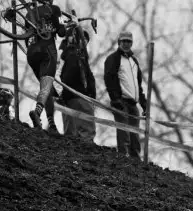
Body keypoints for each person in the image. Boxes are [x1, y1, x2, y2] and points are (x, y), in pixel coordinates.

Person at [25, 0, 71, 133]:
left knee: (48, 88)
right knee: (46, 85)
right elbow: (62, 32)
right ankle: (37, 113)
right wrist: (72, 24)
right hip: (47, 50)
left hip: (31, 53)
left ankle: (51, 124)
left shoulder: (29, 13)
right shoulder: (55, 9)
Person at [103, 30, 147, 160]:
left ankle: (136, 162)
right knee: (124, 134)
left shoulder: (134, 61)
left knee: (135, 136)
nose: (126, 44)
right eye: (124, 41)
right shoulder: (113, 58)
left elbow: (138, 86)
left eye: (129, 41)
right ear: (119, 42)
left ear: (131, 43)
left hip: (133, 104)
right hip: (121, 102)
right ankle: (123, 159)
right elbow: (109, 79)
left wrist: (144, 104)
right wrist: (115, 99)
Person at [59, 26, 97, 142]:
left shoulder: (67, 54)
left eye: (86, 40)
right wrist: (89, 95)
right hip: (79, 96)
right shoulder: (73, 55)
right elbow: (67, 76)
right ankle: (87, 158)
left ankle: (73, 158)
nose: (84, 42)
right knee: (86, 133)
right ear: (73, 38)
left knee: (71, 135)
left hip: (69, 97)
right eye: (82, 38)